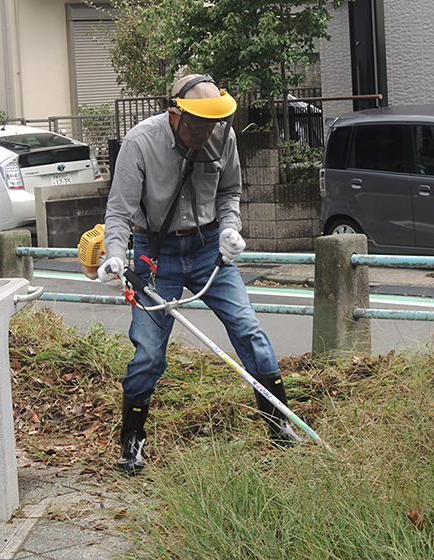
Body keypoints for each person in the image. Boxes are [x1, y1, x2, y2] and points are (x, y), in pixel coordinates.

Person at [98, 74, 300, 473]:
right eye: (197, 126)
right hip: (156, 252)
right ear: (175, 113)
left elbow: (229, 193)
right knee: (150, 351)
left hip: (209, 248)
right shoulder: (140, 144)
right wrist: (116, 255)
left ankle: (280, 425)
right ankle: (132, 442)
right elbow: (119, 212)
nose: (205, 134)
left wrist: (230, 228)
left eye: (212, 125)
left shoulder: (223, 136)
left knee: (248, 330)